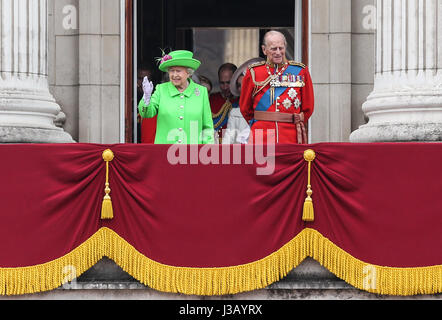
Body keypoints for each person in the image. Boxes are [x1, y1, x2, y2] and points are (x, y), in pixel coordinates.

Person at [240, 30, 314, 144]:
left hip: (290, 135)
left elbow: (308, 107)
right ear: (264, 50)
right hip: (261, 134)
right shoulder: (253, 72)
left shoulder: (300, 71)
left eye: (281, 48)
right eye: (274, 49)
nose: (278, 52)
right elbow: (245, 108)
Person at [138, 50, 214, 144]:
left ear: (188, 72)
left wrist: (208, 150)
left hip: (192, 153)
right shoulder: (161, 90)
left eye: (178, 71)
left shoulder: (201, 92)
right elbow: (147, 114)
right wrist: (146, 98)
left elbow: (207, 127)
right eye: (171, 71)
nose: (174, 75)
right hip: (165, 152)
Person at [223, 58, 264, 144]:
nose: (242, 88)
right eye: (239, 85)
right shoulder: (235, 113)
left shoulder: (272, 112)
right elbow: (226, 144)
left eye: (246, 84)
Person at [209, 63, 239, 143]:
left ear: (236, 80)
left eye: (228, 83)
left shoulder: (242, 101)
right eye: (222, 83)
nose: (225, 87)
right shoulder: (212, 99)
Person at [137, 68, 157, 144]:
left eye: (147, 79)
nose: (143, 82)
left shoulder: (155, 97)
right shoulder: (129, 95)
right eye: (140, 78)